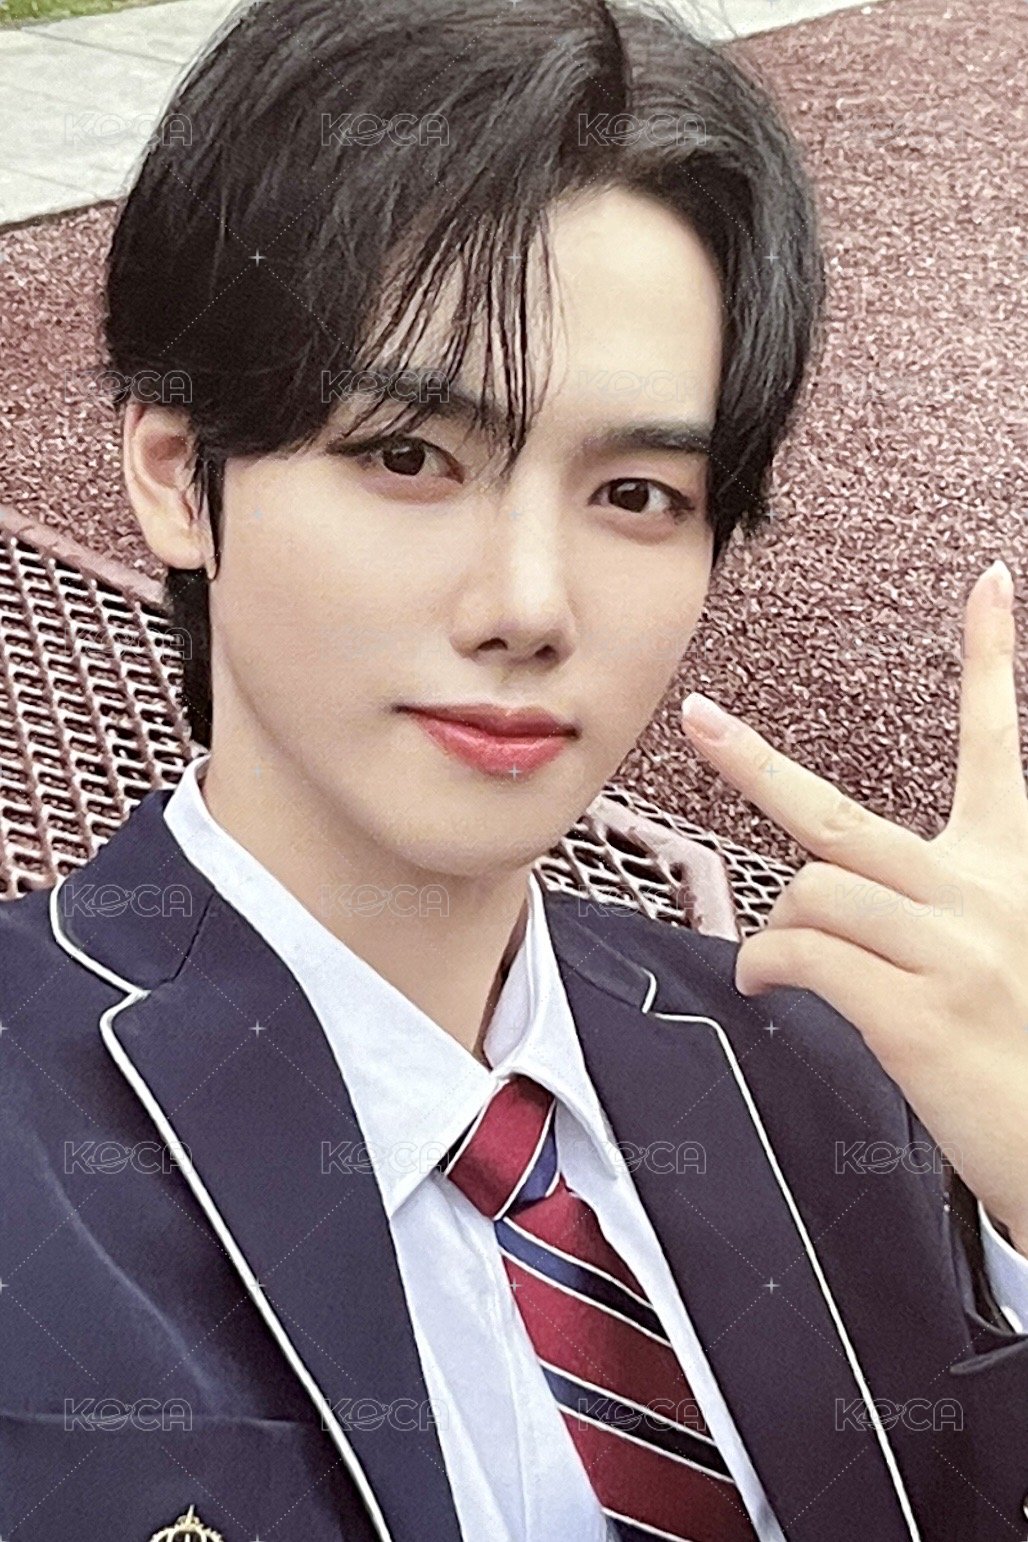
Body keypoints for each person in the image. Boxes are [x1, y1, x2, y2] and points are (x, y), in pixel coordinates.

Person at [2, 0, 1026, 1538]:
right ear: (177, 475)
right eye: (410, 456)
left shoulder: (845, 1072)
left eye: (637, 491)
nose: (531, 604)